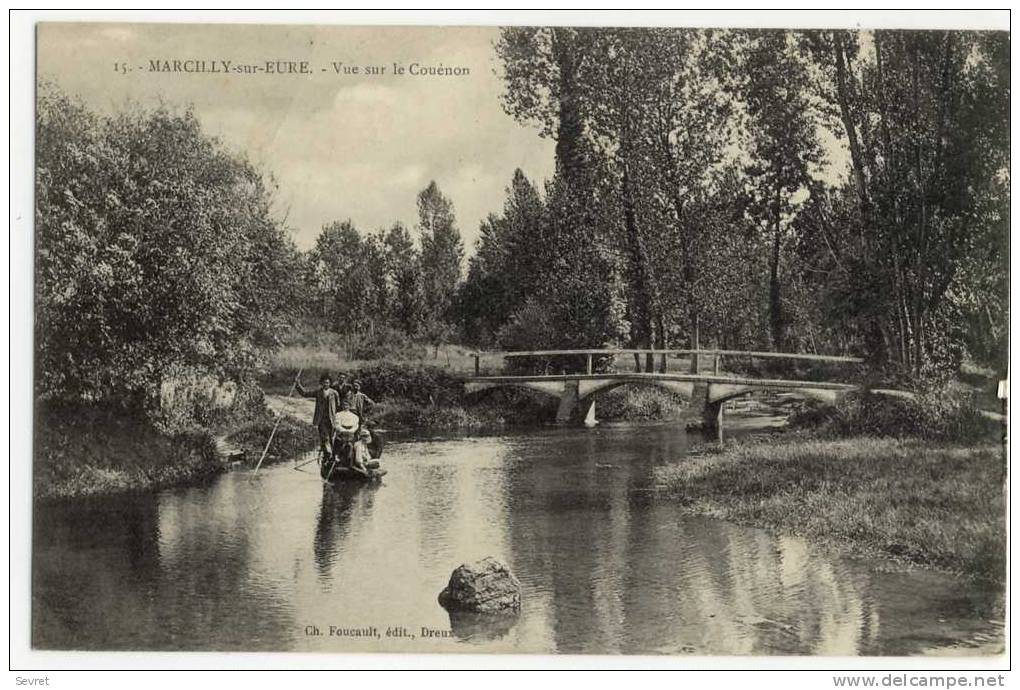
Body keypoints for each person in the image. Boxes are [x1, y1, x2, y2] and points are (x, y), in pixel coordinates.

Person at [295, 372, 340, 463]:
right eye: (324, 382)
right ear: (321, 383)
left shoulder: (334, 393)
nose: (326, 384)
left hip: (331, 420)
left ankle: (329, 457)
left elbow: (338, 406)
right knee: (325, 438)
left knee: (331, 438)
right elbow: (305, 393)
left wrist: (337, 418)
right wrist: (298, 385)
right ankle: (328, 455)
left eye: (327, 382)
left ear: (330, 383)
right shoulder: (318, 392)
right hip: (321, 419)